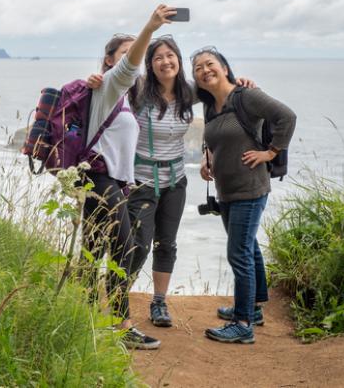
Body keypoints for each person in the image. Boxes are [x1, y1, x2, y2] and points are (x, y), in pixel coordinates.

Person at [87, 38, 255, 329]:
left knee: (167, 244)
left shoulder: (189, 92)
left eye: (170, 56)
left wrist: (237, 81)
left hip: (176, 180)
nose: (166, 62)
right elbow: (114, 81)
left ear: (178, 60)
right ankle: (118, 299)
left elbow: (219, 90)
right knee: (137, 246)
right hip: (141, 180)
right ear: (150, 65)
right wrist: (97, 78)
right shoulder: (139, 90)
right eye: (158, 58)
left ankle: (159, 302)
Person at [81, 4, 176, 350]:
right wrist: (149, 29)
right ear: (110, 61)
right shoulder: (110, 84)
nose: (132, 61)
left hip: (107, 181)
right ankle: (120, 325)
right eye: (124, 54)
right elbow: (130, 65)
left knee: (92, 250)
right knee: (124, 246)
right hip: (99, 179)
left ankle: (86, 320)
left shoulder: (123, 97)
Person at [192, 46, 296, 344]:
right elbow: (210, 138)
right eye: (198, 68)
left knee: (238, 253)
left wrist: (270, 152)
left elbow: (287, 117)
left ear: (225, 67)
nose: (204, 70)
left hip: (250, 189)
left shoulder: (246, 96)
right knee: (248, 248)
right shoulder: (210, 106)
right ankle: (252, 308)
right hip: (227, 190)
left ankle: (243, 323)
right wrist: (205, 158)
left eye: (210, 63)